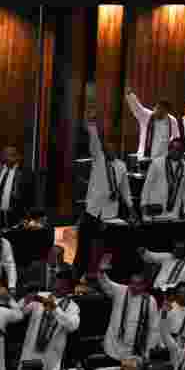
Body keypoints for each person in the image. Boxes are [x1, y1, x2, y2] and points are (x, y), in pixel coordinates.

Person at [78, 111, 133, 277]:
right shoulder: (98, 160)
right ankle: (81, 273)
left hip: (110, 212)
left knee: (106, 246)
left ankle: (103, 275)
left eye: (110, 148)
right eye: (105, 148)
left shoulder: (121, 166)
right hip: (93, 210)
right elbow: (94, 142)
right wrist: (92, 126)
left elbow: (125, 190)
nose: (108, 150)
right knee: (85, 246)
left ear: (115, 149)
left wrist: (131, 209)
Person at [18, 271, 80, 370]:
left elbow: (73, 326)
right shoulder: (41, 296)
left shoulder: (73, 307)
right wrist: (25, 300)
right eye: (58, 280)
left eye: (63, 282)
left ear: (69, 287)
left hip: (51, 357)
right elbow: (20, 312)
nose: (59, 284)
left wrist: (55, 308)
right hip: (30, 353)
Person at [98, 258, 158, 362]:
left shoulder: (150, 301)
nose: (134, 286)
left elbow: (153, 328)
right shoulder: (120, 290)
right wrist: (101, 271)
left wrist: (148, 352)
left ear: (144, 285)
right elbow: (105, 283)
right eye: (132, 283)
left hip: (135, 352)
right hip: (113, 349)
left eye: (138, 284)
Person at [140, 137, 185, 220]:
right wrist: (143, 206)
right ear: (169, 149)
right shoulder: (157, 163)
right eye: (172, 148)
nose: (174, 151)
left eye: (178, 149)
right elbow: (147, 186)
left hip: (173, 213)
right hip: (155, 210)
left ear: (183, 151)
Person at [0, 146, 34, 224]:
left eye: (12, 155)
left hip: (16, 215)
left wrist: (27, 215)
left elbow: (30, 195)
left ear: (18, 157)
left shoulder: (25, 173)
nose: (8, 158)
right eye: (6, 155)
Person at [126, 88, 179, 160]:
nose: (157, 111)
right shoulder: (147, 116)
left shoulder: (172, 121)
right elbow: (137, 107)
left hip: (162, 159)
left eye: (161, 110)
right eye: (157, 108)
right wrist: (130, 95)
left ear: (167, 112)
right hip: (145, 157)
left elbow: (176, 139)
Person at [164, 282, 185, 348]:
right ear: (176, 294)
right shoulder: (168, 308)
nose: (182, 296)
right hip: (169, 346)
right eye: (180, 292)